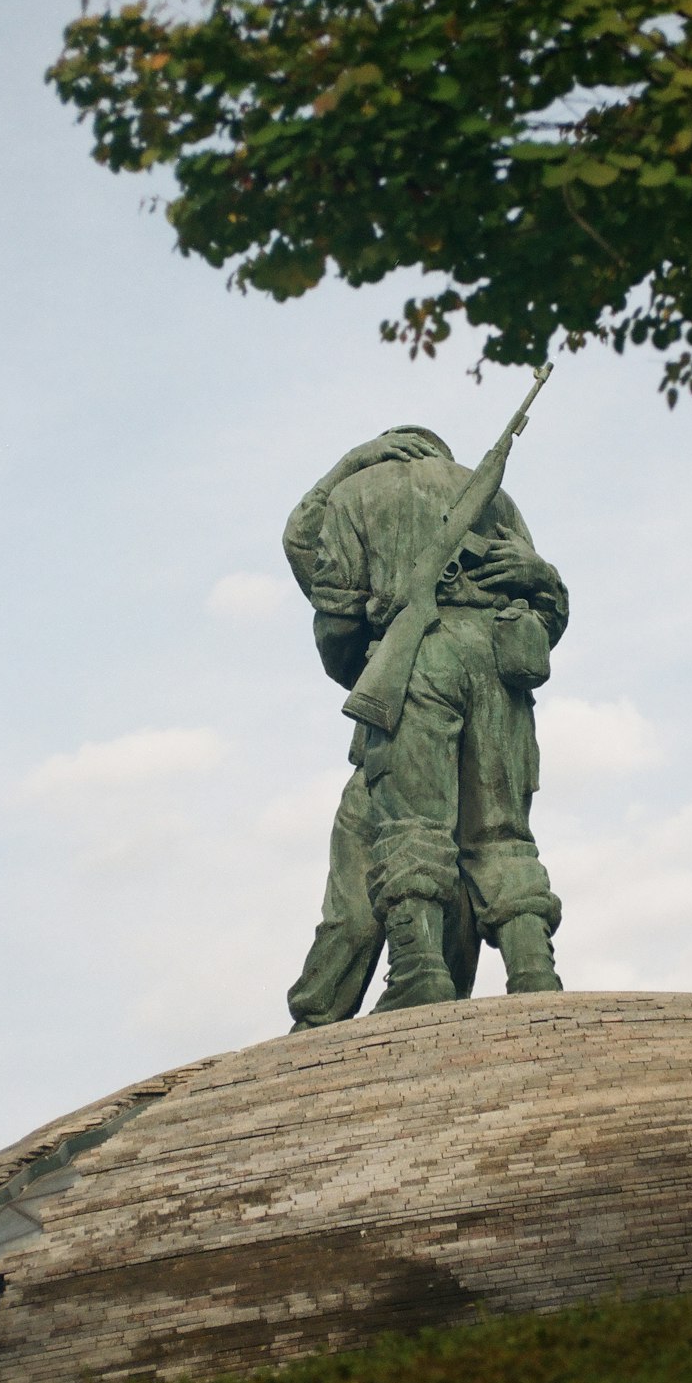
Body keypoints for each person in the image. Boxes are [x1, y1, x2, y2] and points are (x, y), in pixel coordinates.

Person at [309, 427, 568, 1012]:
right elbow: (547, 608)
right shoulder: (495, 497)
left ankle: (419, 968)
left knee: (412, 824)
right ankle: (533, 969)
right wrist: (542, 578)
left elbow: (328, 599)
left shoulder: (357, 493)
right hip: (501, 662)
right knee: (501, 832)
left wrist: (348, 464)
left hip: (419, 657)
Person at [283, 432, 478, 1030]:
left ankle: (323, 1013)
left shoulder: (357, 500)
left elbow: (301, 542)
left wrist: (352, 463)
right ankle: (439, 991)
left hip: (400, 710)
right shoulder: (479, 493)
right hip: (483, 695)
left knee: (364, 852)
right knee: (470, 855)